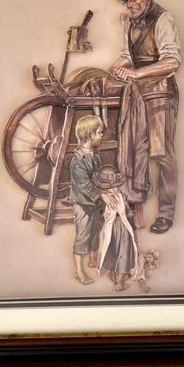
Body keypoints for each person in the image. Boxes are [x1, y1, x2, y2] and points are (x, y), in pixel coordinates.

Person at [109, 0, 181, 234]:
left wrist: (138, 74)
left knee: (162, 154)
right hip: (138, 94)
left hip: (161, 93)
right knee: (135, 151)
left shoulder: (163, 19)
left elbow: (172, 61)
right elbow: (127, 55)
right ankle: (135, 206)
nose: (130, 4)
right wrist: (116, 68)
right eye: (127, 0)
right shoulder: (128, 21)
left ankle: (165, 214)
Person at [69, 115, 116, 284]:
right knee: (82, 236)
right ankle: (79, 272)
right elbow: (85, 186)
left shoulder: (95, 154)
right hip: (82, 204)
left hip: (94, 203)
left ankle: (93, 260)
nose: (101, 135)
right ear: (89, 135)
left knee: (95, 231)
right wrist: (103, 195)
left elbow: (97, 177)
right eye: (98, 132)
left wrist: (108, 187)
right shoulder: (77, 161)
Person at [94, 165, 138, 292]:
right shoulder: (105, 199)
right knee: (113, 250)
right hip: (113, 228)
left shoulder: (120, 197)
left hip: (121, 227)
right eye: (110, 188)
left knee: (119, 250)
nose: (113, 190)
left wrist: (133, 230)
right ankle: (116, 278)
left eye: (114, 187)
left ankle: (118, 280)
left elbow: (128, 214)